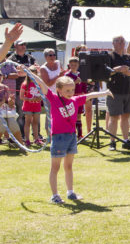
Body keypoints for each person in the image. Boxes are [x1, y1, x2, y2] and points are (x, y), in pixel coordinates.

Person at [25, 69, 112, 204]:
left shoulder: (75, 100)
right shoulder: (53, 99)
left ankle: (70, 192)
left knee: (69, 166)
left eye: (72, 90)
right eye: (67, 91)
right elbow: (42, 83)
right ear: (59, 90)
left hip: (71, 137)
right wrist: (29, 72)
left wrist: (105, 92)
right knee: (55, 167)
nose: (70, 93)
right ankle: (55, 195)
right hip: (59, 137)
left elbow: (90, 95)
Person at [107, 36, 130, 151]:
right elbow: (104, 73)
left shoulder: (129, 57)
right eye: (118, 41)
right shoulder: (109, 56)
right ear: (113, 43)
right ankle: (112, 142)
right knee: (114, 117)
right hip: (114, 91)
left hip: (128, 91)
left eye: (123, 41)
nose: (121, 43)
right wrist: (117, 69)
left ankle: (126, 141)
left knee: (126, 116)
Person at [8, 39, 37, 133]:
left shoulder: (30, 58)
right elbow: (15, 74)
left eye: (25, 44)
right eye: (21, 44)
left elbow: (36, 71)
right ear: (15, 46)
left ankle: (37, 135)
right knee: (20, 114)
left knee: (35, 114)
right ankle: (21, 135)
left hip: (32, 90)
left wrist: (24, 72)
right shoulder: (11, 59)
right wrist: (28, 72)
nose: (23, 46)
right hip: (18, 90)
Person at [64, 57, 88, 138]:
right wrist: (74, 82)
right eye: (72, 65)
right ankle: (71, 133)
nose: (73, 66)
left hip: (79, 97)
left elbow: (84, 84)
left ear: (78, 65)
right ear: (69, 65)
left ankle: (79, 134)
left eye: (75, 65)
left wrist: (84, 93)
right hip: (71, 98)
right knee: (71, 116)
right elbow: (66, 87)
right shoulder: (67, 75)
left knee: (78, 116)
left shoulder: (80, 74)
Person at [19, 66, 43, 146]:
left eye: (34, 74)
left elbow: (42, 95)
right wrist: (29, 99)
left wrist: (39, 98)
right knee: (28, 122)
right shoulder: (25, 84)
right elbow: (21, 97)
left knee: (35, 122)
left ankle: (36, 139)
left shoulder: (39, 84)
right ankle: (27, 140)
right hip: (28, 106)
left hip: (36, 106)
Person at [0, 72, 24, 146]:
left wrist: (11, 101)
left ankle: (21, 145)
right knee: (1, 124)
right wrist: (2, 102)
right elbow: (3, 102)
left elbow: (10, 105)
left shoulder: (5, 87)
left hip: (4, 112)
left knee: (12, 122)